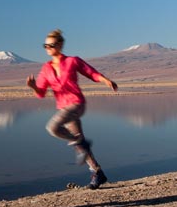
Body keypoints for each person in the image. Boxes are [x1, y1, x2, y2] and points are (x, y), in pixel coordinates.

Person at [27, 29, 118, 189]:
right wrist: (33, 86)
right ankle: (98, 173)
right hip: (64, 107)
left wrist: (106, 80)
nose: (48, 48)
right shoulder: (46, 68)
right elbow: (41, 93)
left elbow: (91, 73)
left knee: (53, 127)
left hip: (76, 104)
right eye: (45, 46)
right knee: (80, 143)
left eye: (51, 45)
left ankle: (80, 143)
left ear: (60, 45)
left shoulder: (72, 61)